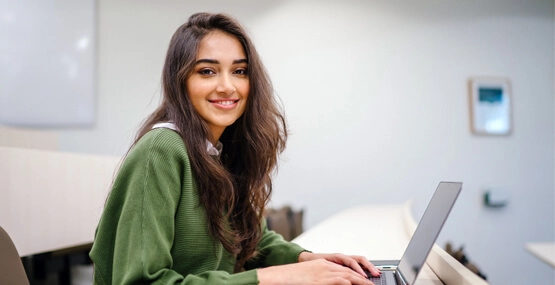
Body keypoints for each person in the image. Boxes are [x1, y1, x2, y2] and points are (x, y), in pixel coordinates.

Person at [89, 12, 380, 285]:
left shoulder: (219, 148)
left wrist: (308, 260)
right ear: (181, 81)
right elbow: (143, 281)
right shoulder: (161, 150)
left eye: (239, 71)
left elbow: (252, 238)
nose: (228, 86)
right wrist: (274, 278)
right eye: (207, 71)